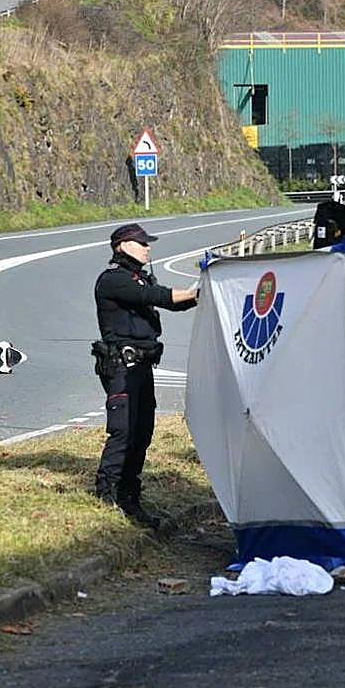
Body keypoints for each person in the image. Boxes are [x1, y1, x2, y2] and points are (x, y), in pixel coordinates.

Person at [92, 223, 198, 525]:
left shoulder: (139, 278)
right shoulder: (114, 281)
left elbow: (169, 303)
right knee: (123, 431)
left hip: (142, 366)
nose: (148, 248)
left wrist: (201, 296)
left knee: (143, 432)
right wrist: (194, 292)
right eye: (142, 243)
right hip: (121, 368)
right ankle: (107, 494)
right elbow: (158, 296)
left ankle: (130, 496)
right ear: (123, 246)